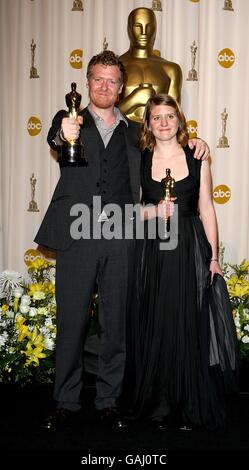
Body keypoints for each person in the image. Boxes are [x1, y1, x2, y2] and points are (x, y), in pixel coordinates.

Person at [34, 51, 209, 433]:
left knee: (116, 324)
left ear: (121, 87)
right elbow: (57, 137)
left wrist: (197, 142)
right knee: (72, 322)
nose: (105, 86)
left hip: (123, 235)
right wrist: (66, 134)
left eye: (112, 80)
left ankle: (109, 400)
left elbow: (168, 143)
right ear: (87, 81)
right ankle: (65, 401)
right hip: (76, 235)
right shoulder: (69, 120)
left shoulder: (134, 132)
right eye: (98, 79)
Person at [122, 94, 239, 431]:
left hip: (189, 246)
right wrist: (153, 212)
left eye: (169, 116)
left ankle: (188, 403)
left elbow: (206, 207)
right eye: (156, 117)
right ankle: (158, 404)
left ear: (179, 120)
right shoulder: (140, 159)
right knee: (156, 321)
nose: (163, 123)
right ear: (147, 124)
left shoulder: (197, 157)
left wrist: (213, 257)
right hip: (152, 249)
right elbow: (131, 211)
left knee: (187, 320)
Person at [119, 7, 182, 122]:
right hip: (121, 136)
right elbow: (105, 116)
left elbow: (173, 117)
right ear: (129, 29)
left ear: (155, 30)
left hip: (157, 137)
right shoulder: (115, 67)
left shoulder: (171, 70)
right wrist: (134, 99)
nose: (143, 33)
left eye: (149, 27)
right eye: (138, 26)